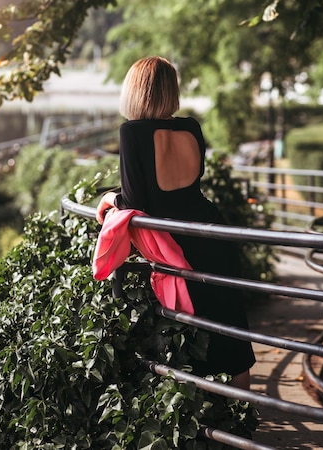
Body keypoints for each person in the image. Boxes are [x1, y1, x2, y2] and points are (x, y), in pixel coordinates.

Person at [96, 56, 255, 390]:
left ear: (136, 90)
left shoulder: (132, 132)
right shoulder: (191, 127)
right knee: (230, 330)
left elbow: (137, 202)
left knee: (193, 333)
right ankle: (243, 424)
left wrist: (110, 199)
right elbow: (190, 185)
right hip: (212, 230)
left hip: (178, 244)